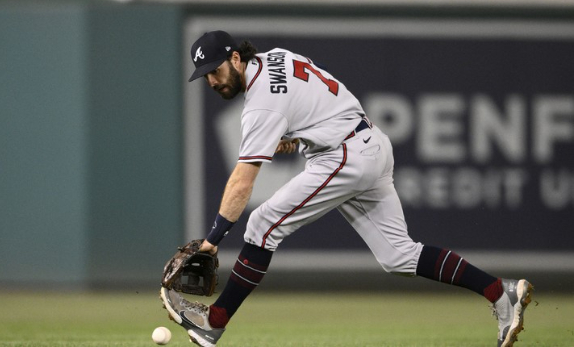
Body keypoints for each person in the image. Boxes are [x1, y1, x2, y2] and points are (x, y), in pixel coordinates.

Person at [160, 30, 533, 347]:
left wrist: (213, 239)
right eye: (205, 75)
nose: (212, 80)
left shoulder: (260, 106)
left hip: (344, 154)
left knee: (261, 224)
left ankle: (215, 322)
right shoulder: (277, 57)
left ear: (236, 59)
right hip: (368, 143)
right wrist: (295, 134)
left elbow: (243, 178)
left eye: (216, 69)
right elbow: (307, 100)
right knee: (399, 256)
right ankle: (501, 293)